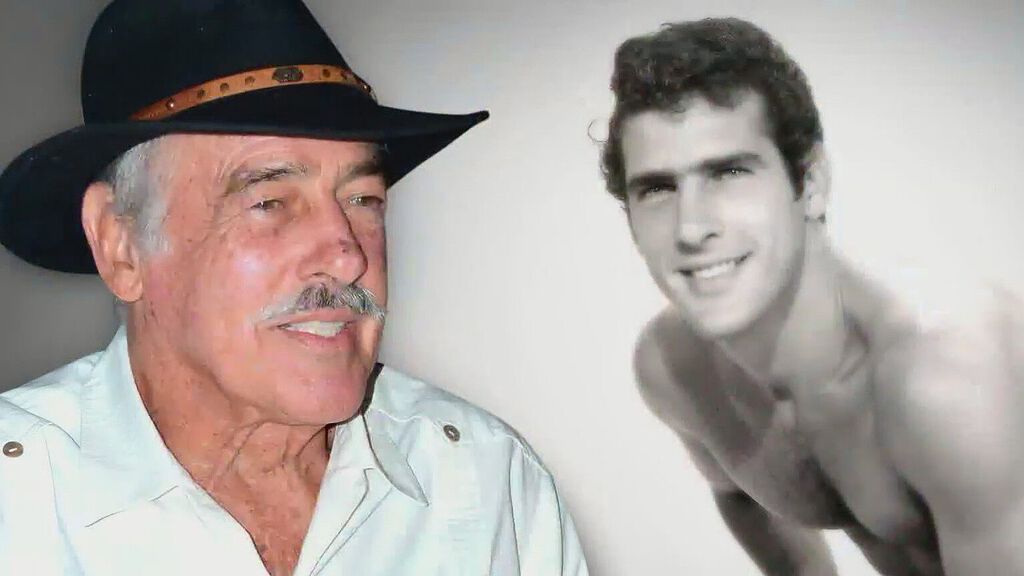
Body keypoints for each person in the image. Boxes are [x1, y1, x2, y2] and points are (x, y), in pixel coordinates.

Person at [0, 1, 589, 575]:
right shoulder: (18, 504)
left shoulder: (485, 486)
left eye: (363, 199)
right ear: (120, 244)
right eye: (269, 202)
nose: (347, 255)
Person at [601, 17, 1023, 576]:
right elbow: (743, 501)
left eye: (729, 172)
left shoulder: (942, 376)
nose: (692, 227)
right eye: (657, 188)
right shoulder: (676, 370)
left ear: (811, 182)